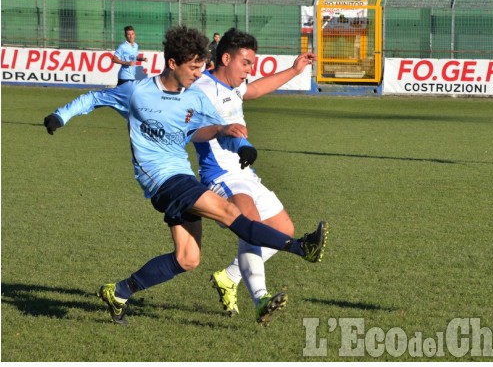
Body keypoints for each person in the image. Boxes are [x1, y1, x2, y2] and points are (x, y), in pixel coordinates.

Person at [42, 25, 328, 327]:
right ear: (173, 64)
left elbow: (217, 129)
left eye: (201, 66)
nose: (198, 73)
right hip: (160, 180)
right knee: (233, 214)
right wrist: (60, 116)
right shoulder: (138, 91)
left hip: (182, 176)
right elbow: (94, 99)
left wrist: (242, 145)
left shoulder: (194, 99)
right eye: (193, 67)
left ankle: (121, 292)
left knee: (187, 259)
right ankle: (300, 247)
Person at [192, 28, 317, 325]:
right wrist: (221, 131)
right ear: (226, 58)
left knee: (283, 229)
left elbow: (256, 89)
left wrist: (294, 69)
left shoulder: (235, 86)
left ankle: (229, 276)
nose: (251, 69)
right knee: (252, 225)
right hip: (220, 174)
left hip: (245, 172)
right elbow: (190, 132)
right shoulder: (201, 89)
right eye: (246, 63)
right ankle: (261, 298)